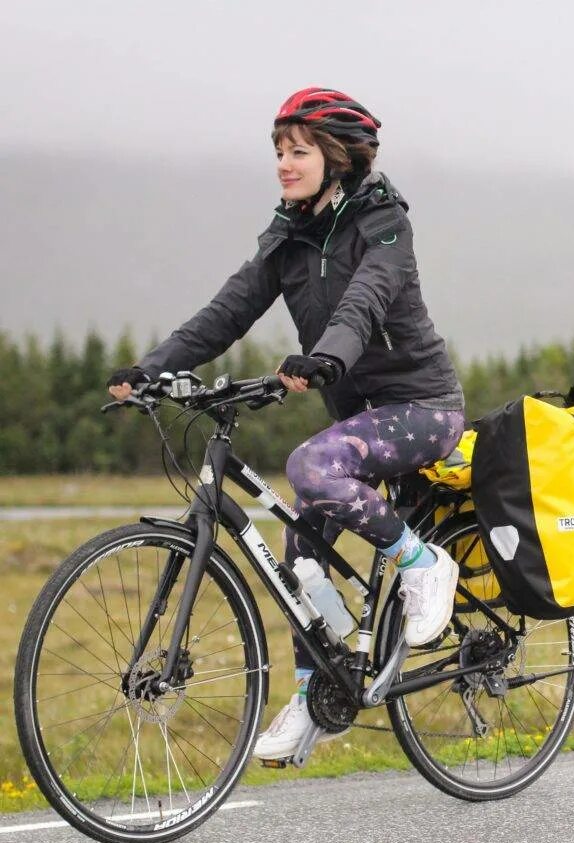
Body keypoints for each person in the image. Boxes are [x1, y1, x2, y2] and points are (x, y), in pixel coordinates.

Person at [107, 87, 467, 759]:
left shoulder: (383, 222)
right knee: (300, 553)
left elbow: (364, 302)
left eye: (298, 150)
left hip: (423, 410)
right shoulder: (290, 236)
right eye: (278, 150)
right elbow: (229, 310)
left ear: (336, 158)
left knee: (308, 465)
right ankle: (315, 695)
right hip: (358, 420)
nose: (283, 162)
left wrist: (326, 356)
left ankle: (423, 562)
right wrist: (154, 368)